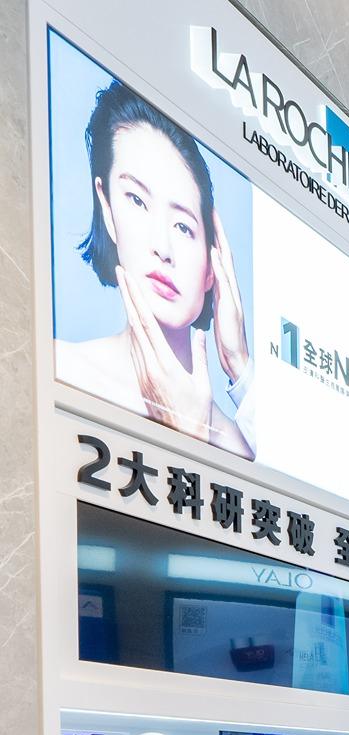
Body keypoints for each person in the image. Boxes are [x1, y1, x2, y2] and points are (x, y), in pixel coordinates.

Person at [56, 80, 253, 458]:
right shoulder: (61, 369)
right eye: (137, 201)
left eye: (183, 227)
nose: (162, 247)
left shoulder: (239, 447)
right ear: (107, 207)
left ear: (212, 265)